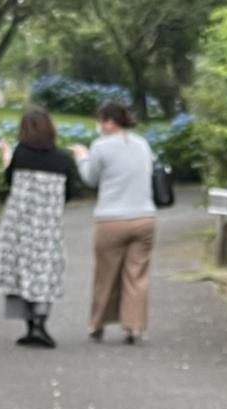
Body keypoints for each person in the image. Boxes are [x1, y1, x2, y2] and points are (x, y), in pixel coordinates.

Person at [0, 108, 80, 349]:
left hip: (18, 226)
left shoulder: (20, 155)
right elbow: (70, 192)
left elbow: (9, 180)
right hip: (48, 226)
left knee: (18, 272)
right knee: (44, 271)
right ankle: (41, 323)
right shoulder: (64, 159)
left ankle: (30, 327)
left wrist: (5, 155)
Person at [71, 100, 157, 345]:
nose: (99, 126)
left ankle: (97, 324)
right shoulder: (142, 144)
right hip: (144, 217)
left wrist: (81, 157)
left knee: (105, 274)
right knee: (136, 274)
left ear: (109, 122)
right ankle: (134, 327)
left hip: (112, 218)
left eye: (100, 121)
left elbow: (90, 178)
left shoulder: (101, 146)